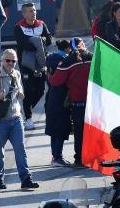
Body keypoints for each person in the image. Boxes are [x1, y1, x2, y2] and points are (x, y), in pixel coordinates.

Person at [0, 49, 39, 190]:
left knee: (20, 149)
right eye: (8, 60)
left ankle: (26, 179)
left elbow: (19, 93)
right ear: (2, 61)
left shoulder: (17, 74)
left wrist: (20, 94)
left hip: (16, 119)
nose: (10, 63)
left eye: (13, 61)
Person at [48, 38, 92, 168]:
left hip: (77, 102)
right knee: (90, 130)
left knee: (79, 132)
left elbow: (56, 81)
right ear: (83, 45)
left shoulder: (68, 60)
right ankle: (91, 157)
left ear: (70, 48)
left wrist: (49, 75)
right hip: (92, 101)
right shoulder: (93, 57)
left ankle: (79, 160)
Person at [14, 2, 52, 131]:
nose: (33, 13)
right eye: (30, 11)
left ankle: (26, 109)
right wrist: (38, 41)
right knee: (28, 89)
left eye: (34, 10)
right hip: (26, 64)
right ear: (24, 14)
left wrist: (37, 41)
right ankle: (28, 118)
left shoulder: (42, 24)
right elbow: (23, 44)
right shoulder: (19, 27)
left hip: (40, 62)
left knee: (40, 90)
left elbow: (49, 40)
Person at [44, 39, 73, 167]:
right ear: (67, 48)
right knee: (61, 128)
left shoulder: (50, 59)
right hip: (62, 98)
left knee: (53, 128)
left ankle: (54, 156)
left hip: (51, 97)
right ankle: (58, 157)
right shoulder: (67, 61)